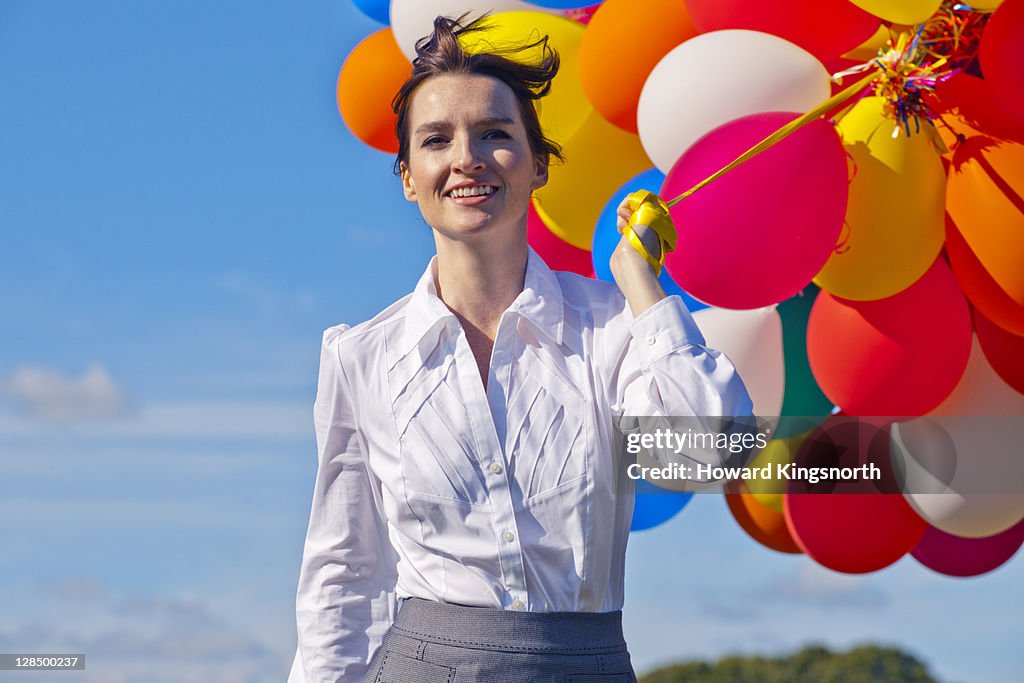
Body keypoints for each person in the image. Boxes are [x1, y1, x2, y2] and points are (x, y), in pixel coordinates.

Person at [288, 13, 753, 683]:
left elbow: (715, 453)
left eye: (495, 134)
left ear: (538, 165)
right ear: (409, 178)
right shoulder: (359, 358)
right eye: (437, 139)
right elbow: (344, 572)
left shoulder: (612, 328)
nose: (466, 157)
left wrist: (640, 286)